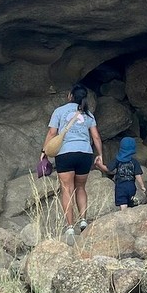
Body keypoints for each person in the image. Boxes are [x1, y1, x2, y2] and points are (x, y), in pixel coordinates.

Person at [43, 84, 104, 241]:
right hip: (84, 153)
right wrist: (100, 155)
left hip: (65, 153)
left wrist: (44, 152)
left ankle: (70, 227)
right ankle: (83, 220)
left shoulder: (59, 111)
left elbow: (52, 133)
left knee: (67, 190)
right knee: (81, 187)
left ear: (70, 96)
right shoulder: (88, 114)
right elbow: (96, 137)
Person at [101, 136, 146, 210]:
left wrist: (99, 165)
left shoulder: (117, 160)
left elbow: (108, 169)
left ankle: (124, 213)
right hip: (131, 186)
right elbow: (138, 175)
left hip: (120, 186)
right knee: (131, 201)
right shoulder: (134, 162)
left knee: (123, 202)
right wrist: (142, 186)